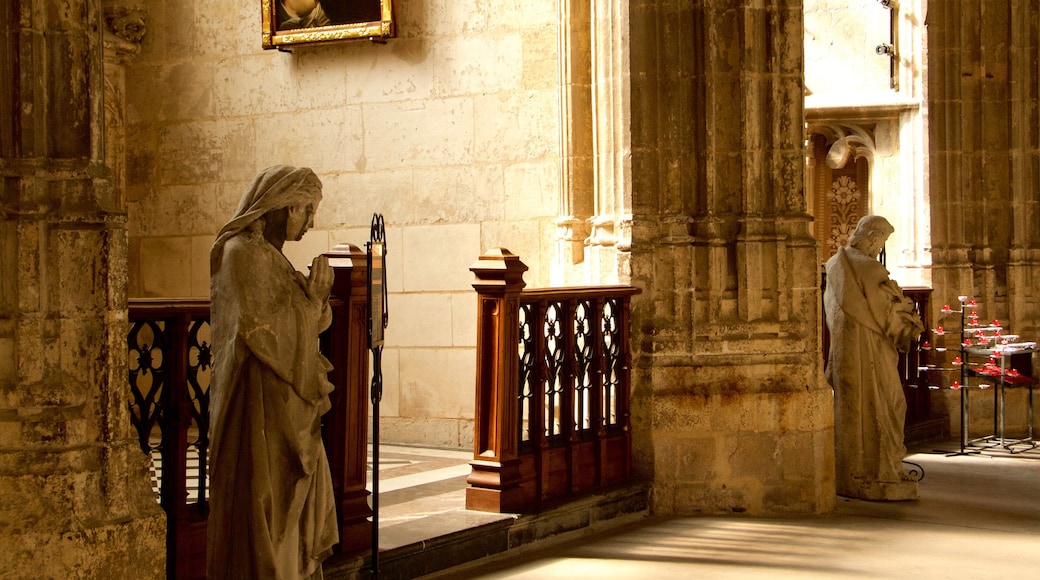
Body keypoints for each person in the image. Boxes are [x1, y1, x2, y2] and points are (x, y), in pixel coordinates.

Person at [207, 165, 338, 579]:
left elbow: (297, 317)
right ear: (281, 206)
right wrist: (312, 302)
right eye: (306, 210)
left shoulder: (271, 257)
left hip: (288, 408)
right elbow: (264, 334)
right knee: (263, 507)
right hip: (259, 411)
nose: (310, 222)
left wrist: (315, 302)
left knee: (295, 510)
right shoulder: (241, 255)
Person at [824, 215, 923, 501]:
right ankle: (880, 471)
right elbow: (890, 314)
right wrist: (911, 323)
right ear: (870, 237)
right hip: (870, 352)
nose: (880, 246)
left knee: (853, 408)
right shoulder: (867, 268)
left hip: (843, 352)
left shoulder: (834, 264)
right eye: (881, 240)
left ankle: (851, 472)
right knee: (890, 403)